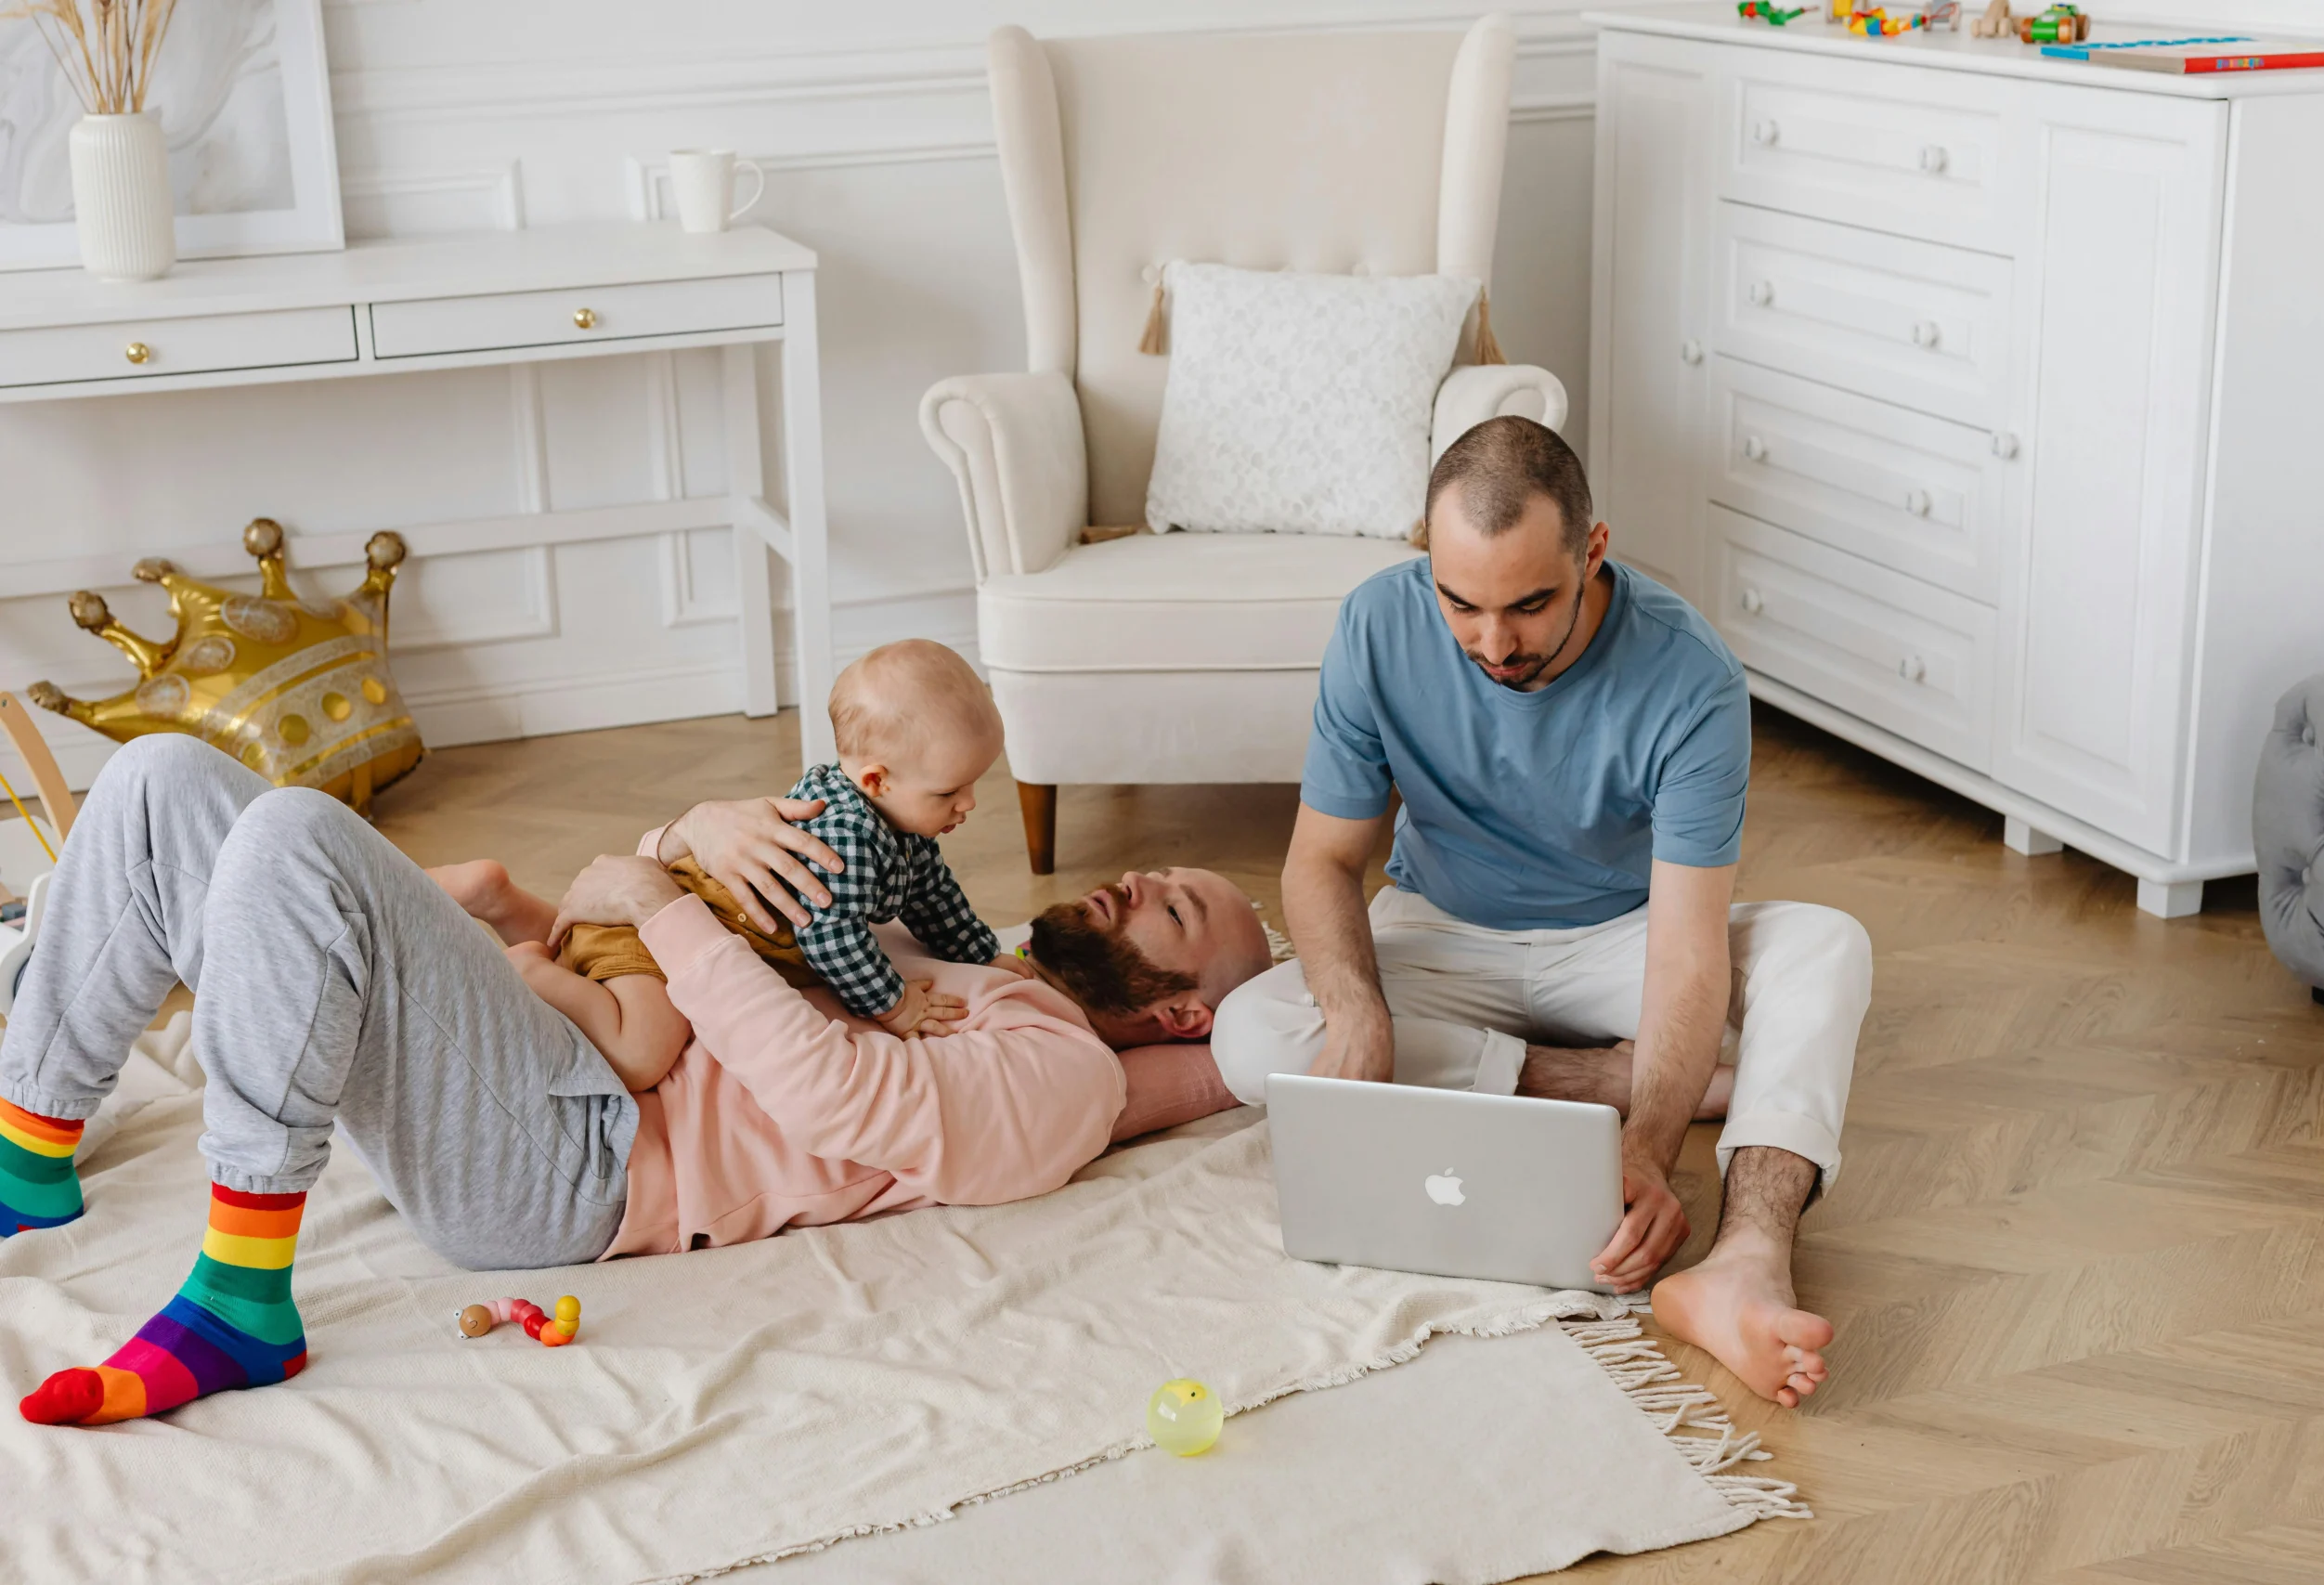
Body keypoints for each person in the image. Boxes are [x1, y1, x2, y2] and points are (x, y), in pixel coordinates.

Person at [1, 734, 1271, 1426]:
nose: (1138, 880)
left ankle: (240, 1299)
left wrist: (655, 895)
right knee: (160, 777)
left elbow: (822, 1088)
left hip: (579, 1164)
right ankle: (28, 1148)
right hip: (553, 1062)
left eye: (1175, 908)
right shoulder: (951, 949)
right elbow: (668, 939)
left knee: (294, 838)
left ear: (1179, 1007)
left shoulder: (1057, 1076)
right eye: (1158, 872)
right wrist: (683, 842)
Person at [1211, 416, 1872, 1408]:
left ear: (1591, 551)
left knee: (1826, 947)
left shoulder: (1690, 676)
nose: (1492, 643)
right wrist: (1358, 1017)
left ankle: (1746, 1262)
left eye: (1528, 605)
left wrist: (1646, 1150)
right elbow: (1322, 860)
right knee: (1250, 1030)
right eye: (1460, 603)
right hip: (1440, 926)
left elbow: (1688, 952)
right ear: (1423, 559)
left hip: (1623, 938)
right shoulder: (1374, 624)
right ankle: (1605, 1077)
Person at [429, 639, 1008, 1091]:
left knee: (597, 962)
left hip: (664, 926)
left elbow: (936, 899)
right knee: (640, 1056)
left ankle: (501, 899)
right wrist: (898, 1006)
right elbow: (834, 939)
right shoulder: (848, 841)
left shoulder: (903, 826)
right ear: (877, 778)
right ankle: (530, 972)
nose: (970, 804)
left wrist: (984, 955)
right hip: (661, 943)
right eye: (950, 791)